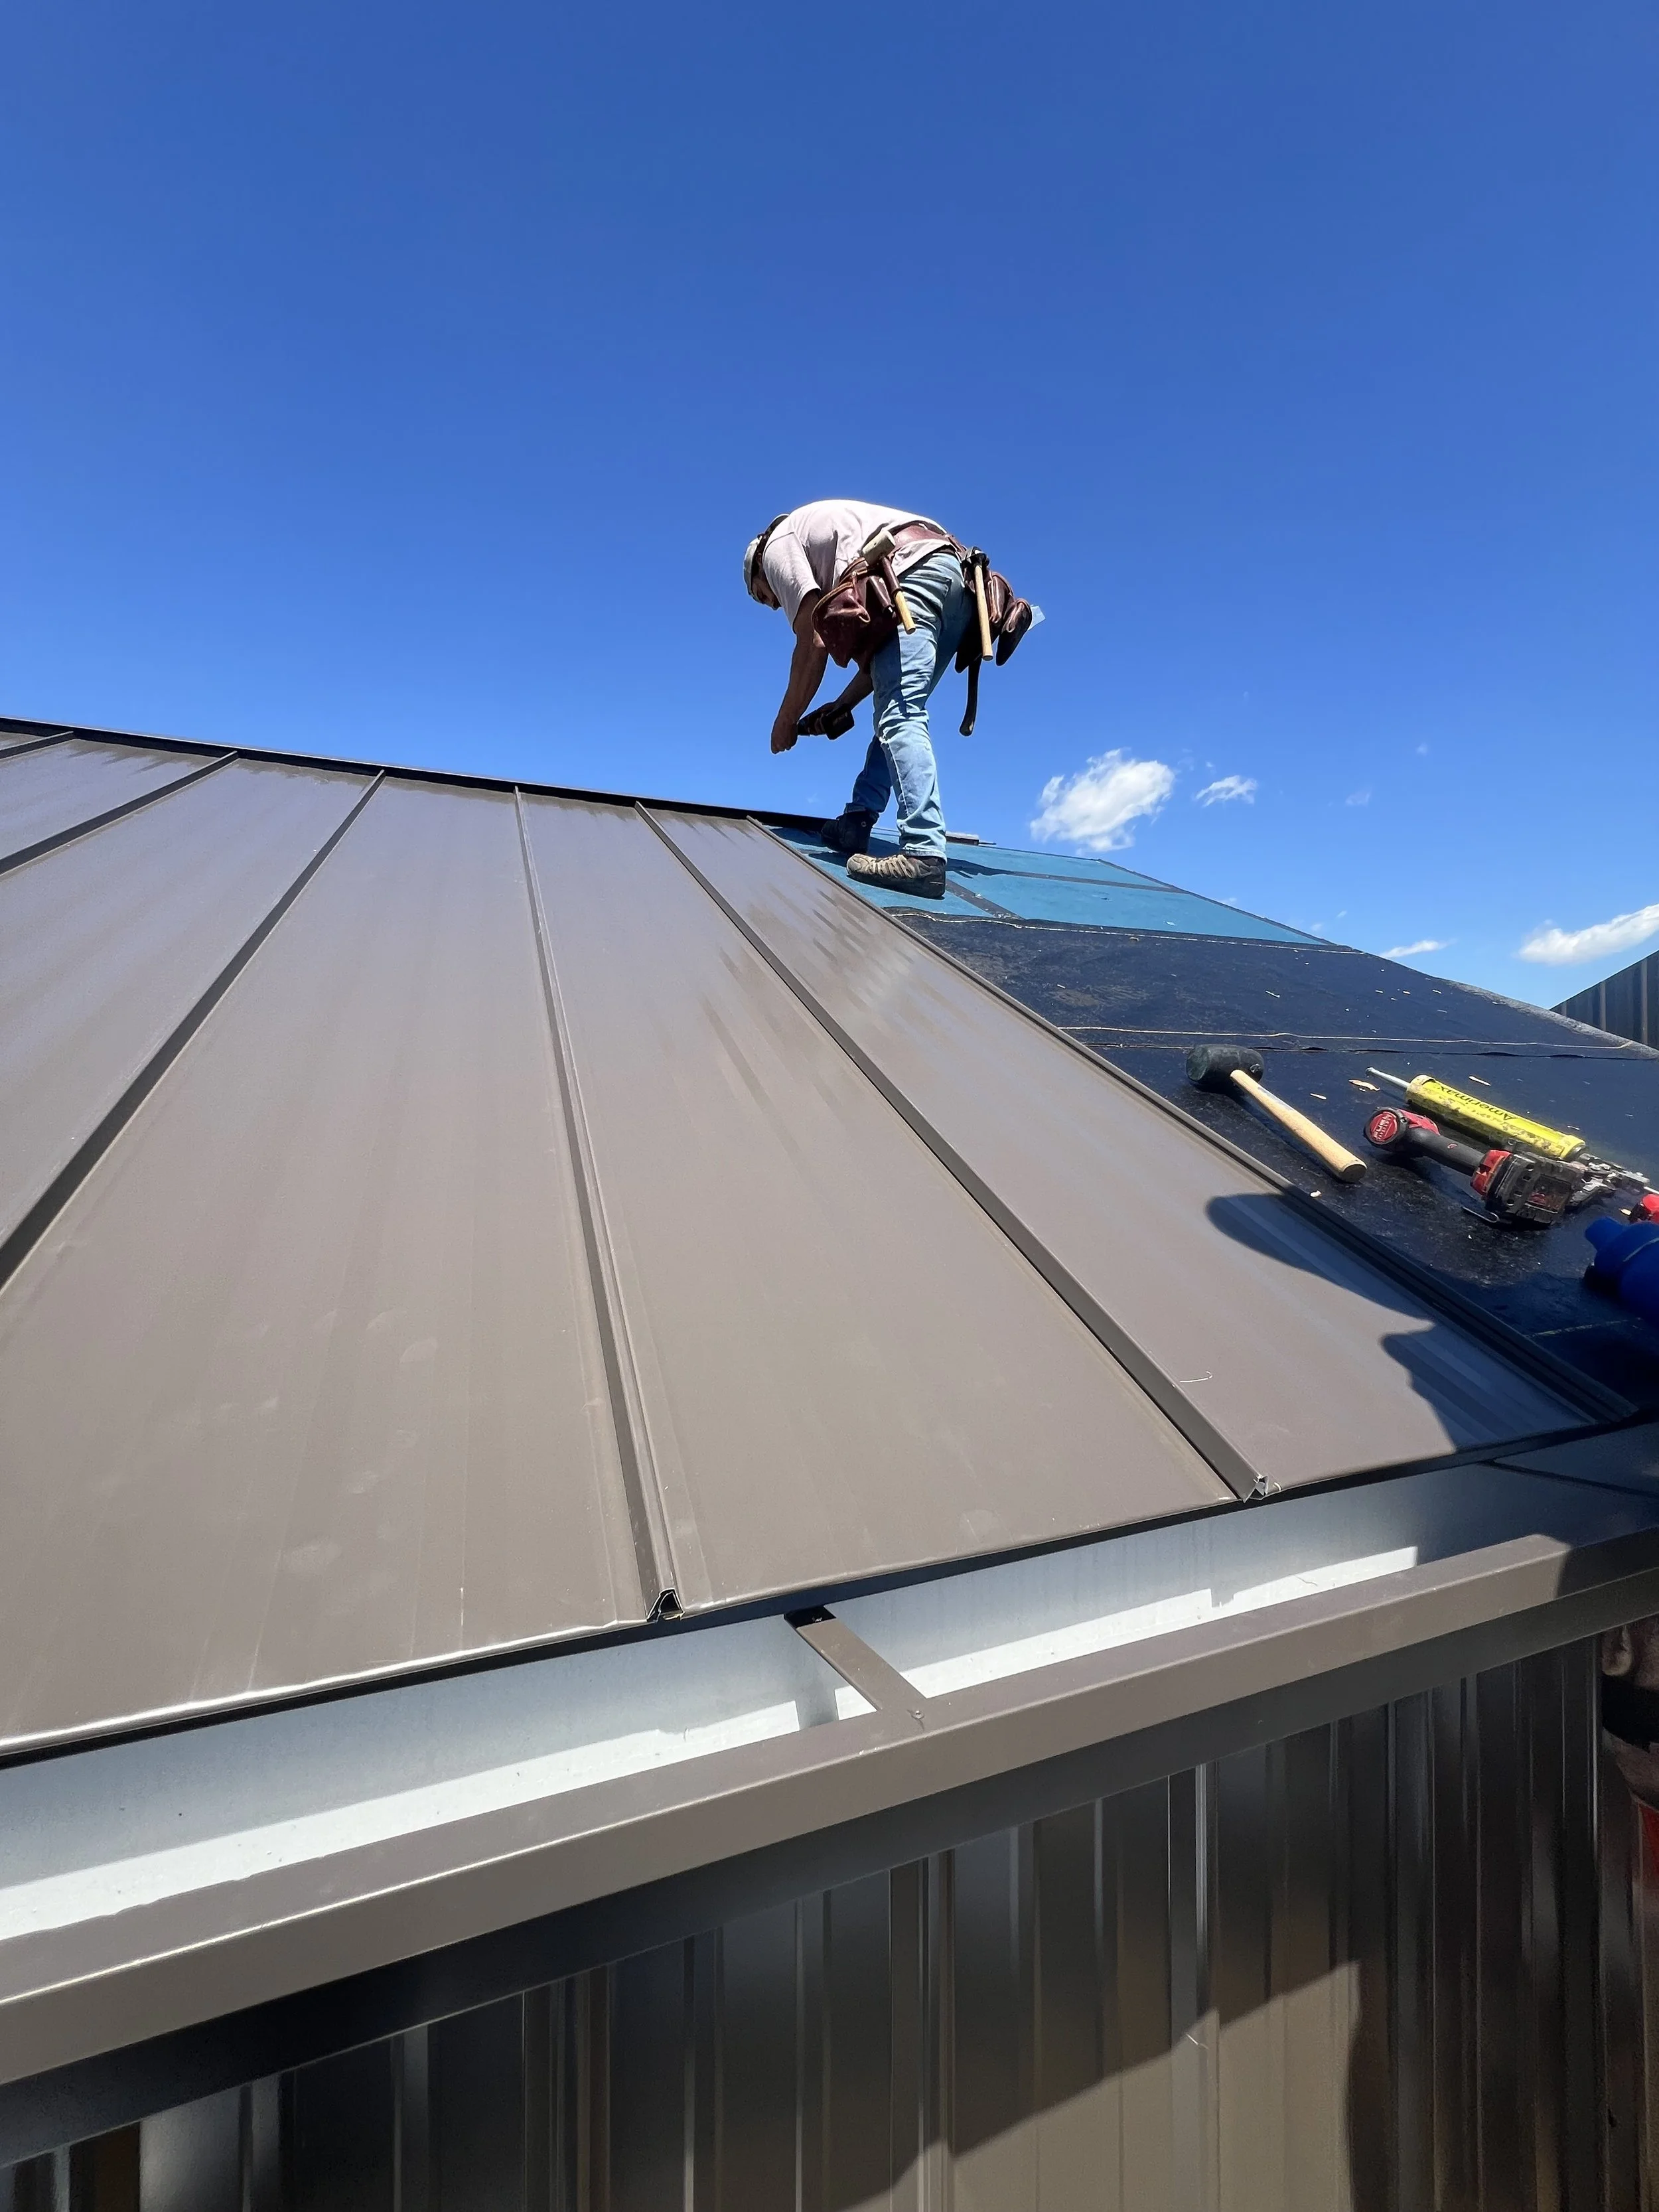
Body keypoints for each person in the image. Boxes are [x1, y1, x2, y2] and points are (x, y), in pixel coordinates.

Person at [743, 499, 973, 900]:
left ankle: (923, 853)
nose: (775, 603)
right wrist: (840, 705)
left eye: (764, 596)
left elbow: (812, 642)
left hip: (910, 572)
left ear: (759, 570)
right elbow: (874, 671)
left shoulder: (777, 543)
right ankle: (858, 820)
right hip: (954, 580)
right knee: (895, 711)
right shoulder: (833, 542)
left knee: (900, 717)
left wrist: (786, 719)